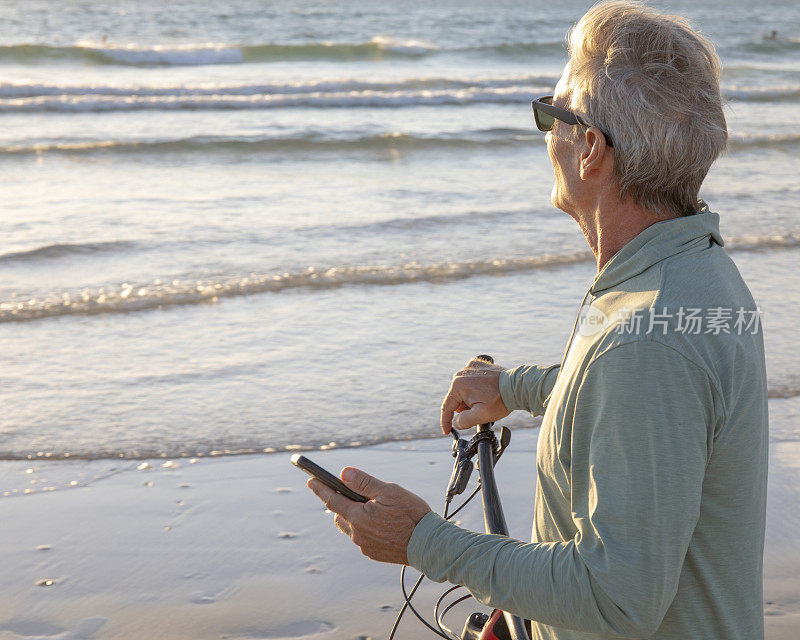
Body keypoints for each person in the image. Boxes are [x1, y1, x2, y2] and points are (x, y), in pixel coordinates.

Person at [305, 2, 769, 638]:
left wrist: (423, 540)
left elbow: (615, 600)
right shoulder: (697, 273)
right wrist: (516, 388)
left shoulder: (643, 342)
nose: (545, 133)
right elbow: (642, 400)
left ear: (590, 151)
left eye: (552, 114)